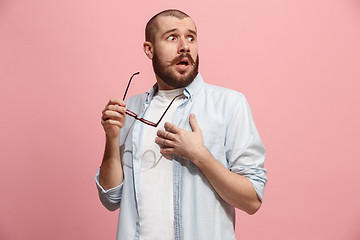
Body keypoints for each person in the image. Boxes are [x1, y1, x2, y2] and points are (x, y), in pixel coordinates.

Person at [96, 9, 267, 240]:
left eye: (191, 37)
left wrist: (200, 156)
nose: (185, 46)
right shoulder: (131, 109)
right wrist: (112, 137)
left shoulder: (230, 104)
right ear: (149, 49)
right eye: (172, 37)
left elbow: (252, 200)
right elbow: (110, 198)